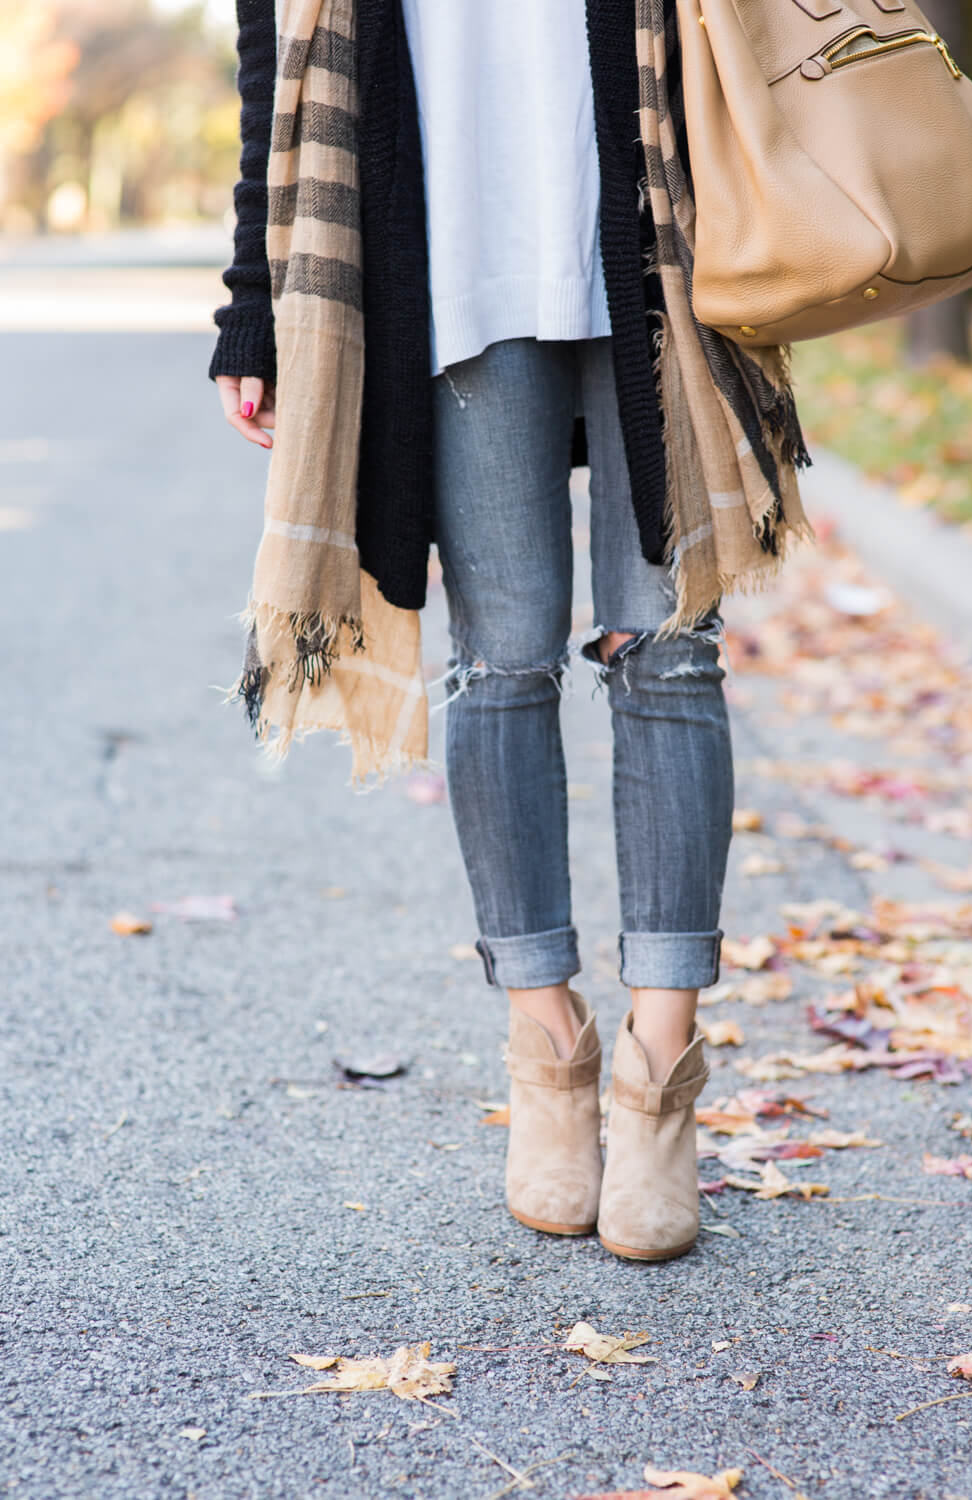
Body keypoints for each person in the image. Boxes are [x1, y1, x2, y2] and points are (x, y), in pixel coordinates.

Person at [210, 0, 811, 1261]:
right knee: (502, 664)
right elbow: (273, 54)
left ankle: (659, 1071)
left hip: (660, 238)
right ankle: (548, 1051)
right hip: (449, 256)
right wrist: (252, 305)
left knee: (672, 653)